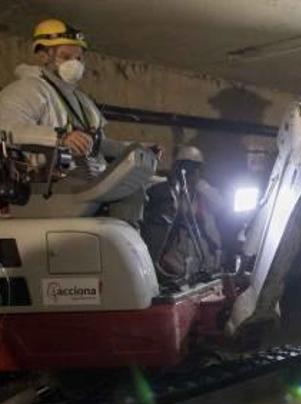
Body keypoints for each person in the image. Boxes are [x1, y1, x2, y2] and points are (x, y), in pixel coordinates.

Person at [0, 19, 129, 178]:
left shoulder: (82, 101)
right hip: (48, 184)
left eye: (79, 58)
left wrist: (137, 150)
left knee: (149, 190)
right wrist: (60, 138)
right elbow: (5, 128)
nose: (74, 63)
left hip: (89, 179)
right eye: (66, 57)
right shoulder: (28, 89)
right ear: (43, 56)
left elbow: (98, 145)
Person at [144, 146, 222, 283]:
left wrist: (199, 184)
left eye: (195, 168)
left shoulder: (204, 192)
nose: (192, 172)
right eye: (187, 167)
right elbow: (151, 183)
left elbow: (221, 204)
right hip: (176, 257)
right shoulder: (170, 190)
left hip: (205, 258)